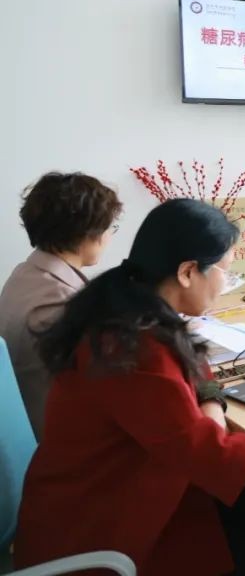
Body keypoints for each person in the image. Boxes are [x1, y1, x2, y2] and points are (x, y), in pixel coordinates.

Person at [15, 199, 245, 576]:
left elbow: (195, 366)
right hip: (102, 534)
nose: (225, 285)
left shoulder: (131, 307)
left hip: (123, 492)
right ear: (187, 272)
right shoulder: (131, 349)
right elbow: (215, 458)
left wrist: (212, 407)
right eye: (225, 273)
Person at [0, 172, 122, 438]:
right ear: (88, 233)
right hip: (58, 437)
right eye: (109, 228)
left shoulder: (24, 274)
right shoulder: (63, 302)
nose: (109, 238)